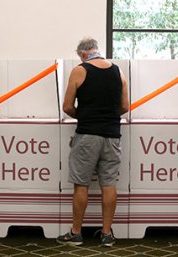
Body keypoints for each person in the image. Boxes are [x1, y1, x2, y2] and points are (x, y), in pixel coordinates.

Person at [56, 37, 129, 247]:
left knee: (81, 184)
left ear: (82, 54)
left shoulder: (80, 70)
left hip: (87, 135)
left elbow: (67, 106)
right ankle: (106, 234)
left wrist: (85, 115)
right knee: (109, 184)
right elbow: (124, 106)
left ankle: (76, 233)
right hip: (112, 135)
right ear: (97, 50)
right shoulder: (118, 71)